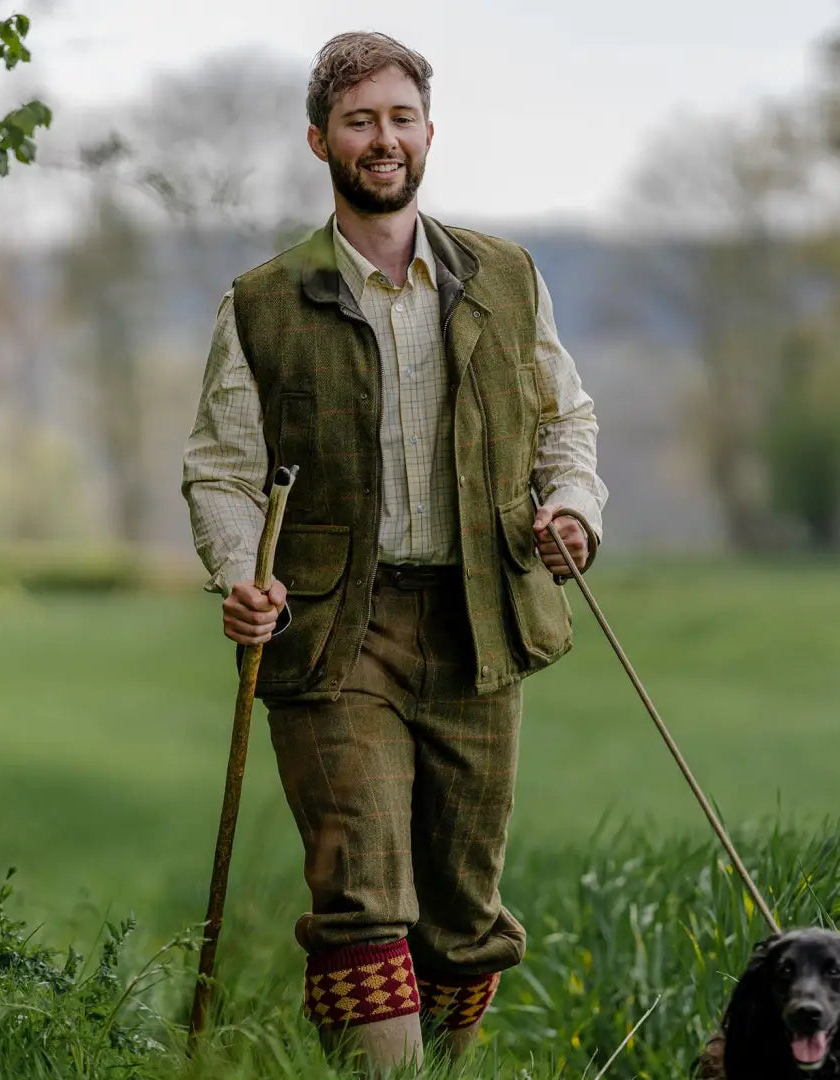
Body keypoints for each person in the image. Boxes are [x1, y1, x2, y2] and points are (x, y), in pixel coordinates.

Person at [182, 30, 607, 1075]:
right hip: (333, 633)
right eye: (361, 120)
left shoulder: (508, 277)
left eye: (400, 118)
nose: (383, 139)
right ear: (320, 137)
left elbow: (567, 421)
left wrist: (572, 510)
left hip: (481, 621)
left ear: (428, 133)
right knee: (364, 894)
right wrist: (243, 577)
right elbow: (222, 469)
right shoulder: (263, 301)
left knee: (464, 916)